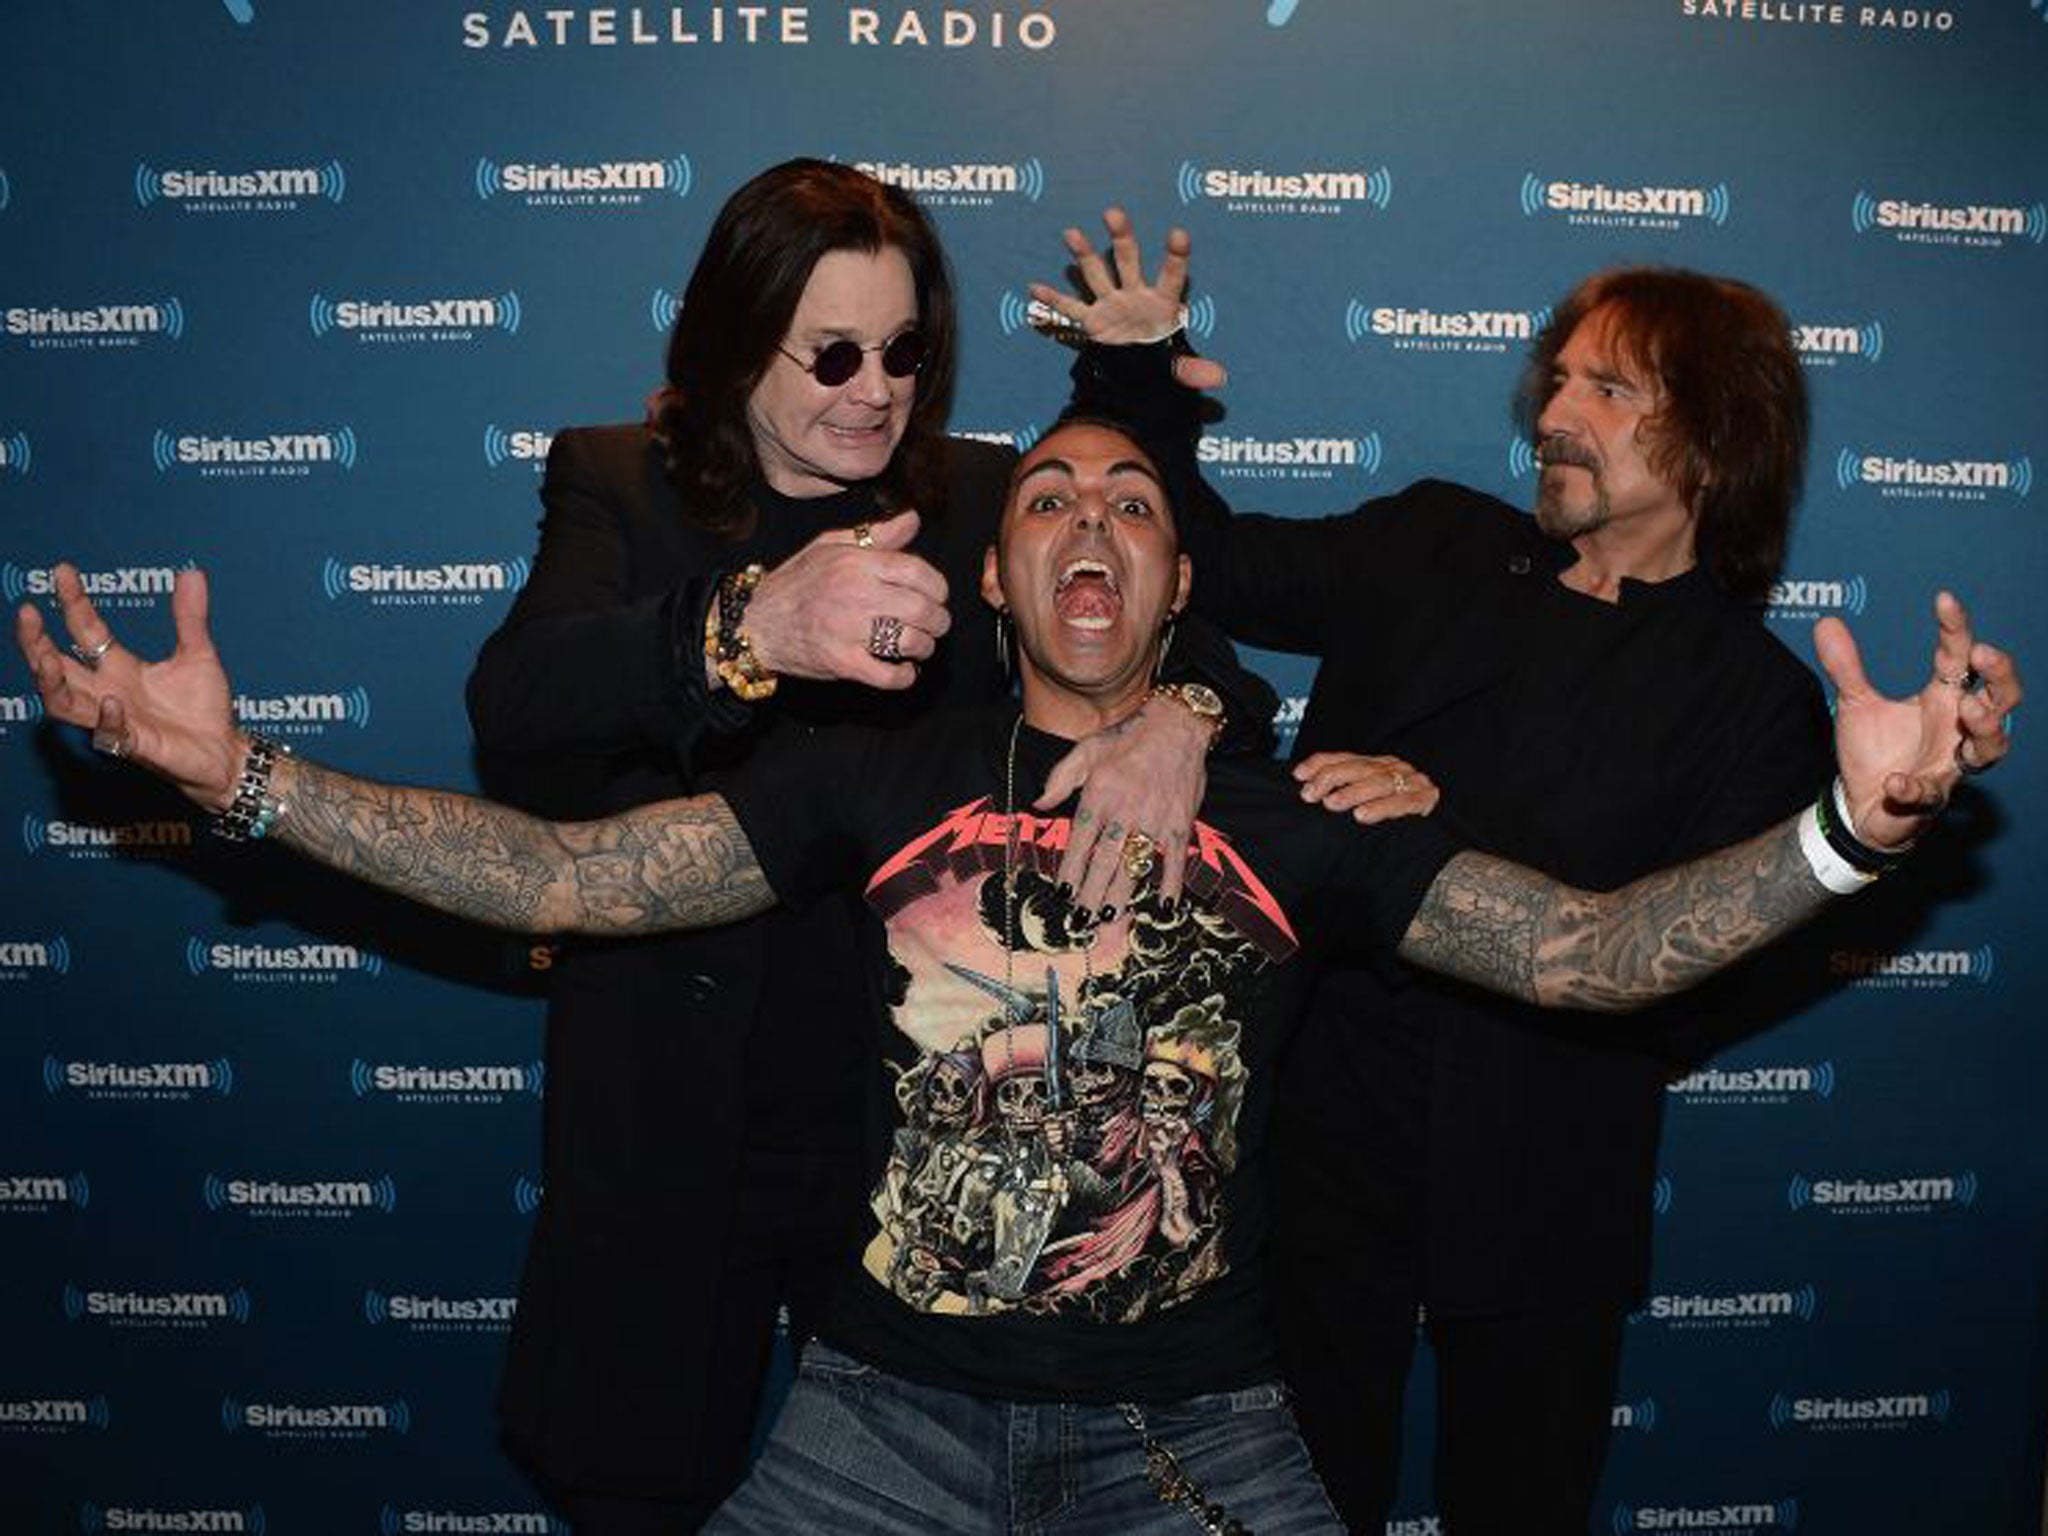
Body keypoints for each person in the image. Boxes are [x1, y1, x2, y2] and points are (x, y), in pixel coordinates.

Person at [18, 416, 2016, 1535]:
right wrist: (243, 774)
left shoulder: (1301, 805)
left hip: (1199, 1440)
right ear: (993, 575)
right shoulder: (860, 775)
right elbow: (563, 869)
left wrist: (1851, 834)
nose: (1091, 519)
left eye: (1136, 503)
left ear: (1177, 580)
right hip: (872, 1423)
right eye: (1048, 495)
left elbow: (1583, 959)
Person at [1034, 219, 2021, 1530]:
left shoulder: (1757, 703)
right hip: (1312, 1161)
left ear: (1718, 443)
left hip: (1551, 1194)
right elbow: (1197, 561)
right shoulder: (1432, 543)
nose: (1556, 411)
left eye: (1608, 389)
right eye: (1556, 380)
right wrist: (1132, 382)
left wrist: (1883, 813)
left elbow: (1693, 960)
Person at [456, 161, 1265, 1532]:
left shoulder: (974, 501)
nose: (875, 388)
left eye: (904, 351)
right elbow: (518, 708)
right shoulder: (617, 482)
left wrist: (1181, 718)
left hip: (909, 1141)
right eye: (831, 351)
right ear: (730, 342)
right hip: (672, 1127)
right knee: (634, 1482)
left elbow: (1207, 656)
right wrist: (746, 632)